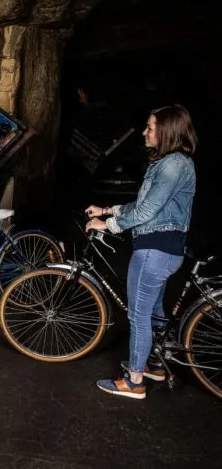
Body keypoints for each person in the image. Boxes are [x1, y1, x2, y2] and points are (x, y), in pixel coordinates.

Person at [85, 104, 198, 400]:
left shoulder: (173, 164)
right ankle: (154, 365)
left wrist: (108, 224)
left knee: (139, 316)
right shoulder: (171, 163)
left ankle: (134, 381)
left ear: (168, 131)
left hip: (154, 250)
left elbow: (147, 210)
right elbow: (146, 204)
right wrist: (108, 208)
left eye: (150, 127)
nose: (145, 132)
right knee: (155, 311)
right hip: (163, 248)